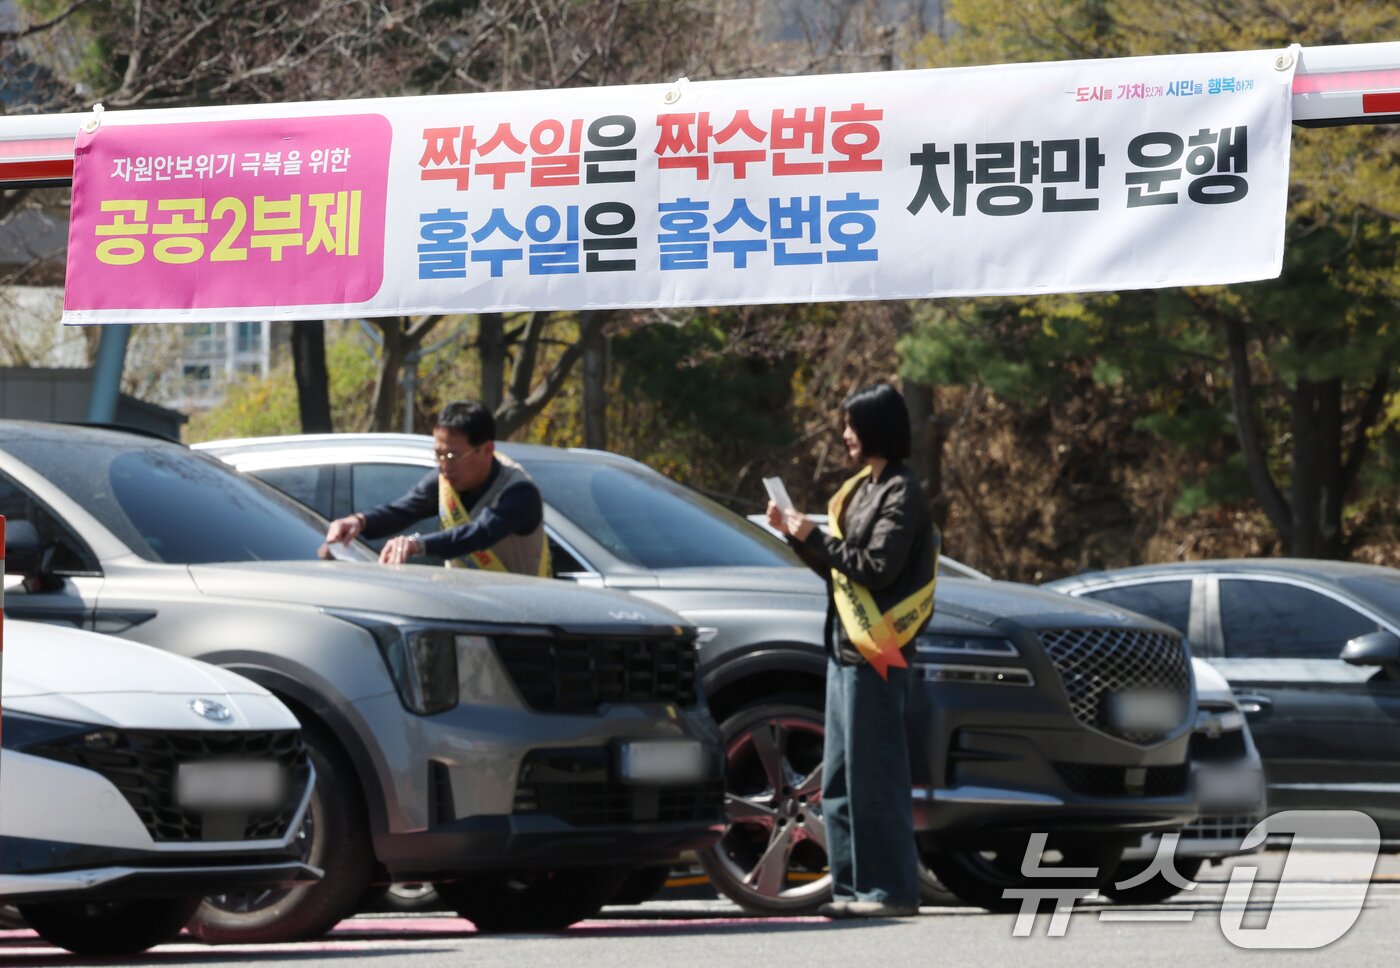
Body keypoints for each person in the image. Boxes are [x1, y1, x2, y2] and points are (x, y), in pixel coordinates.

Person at [767, 382, 939, 920]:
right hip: (843, 648)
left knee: (876, 775)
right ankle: (852, 889)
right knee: (839, 778)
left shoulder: (902, 493)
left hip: (879, 650)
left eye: (852, 425)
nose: (845, 435)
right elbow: (840, 569)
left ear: (878, 428)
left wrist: (814, 538)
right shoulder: (859, 491)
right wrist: (797, 536)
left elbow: (875, 569)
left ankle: (889, 891)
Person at [324, 400, 550, 576]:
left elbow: (478, 534)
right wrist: (359, 521)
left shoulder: (519, 492)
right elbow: (404, 509)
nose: (444, 465)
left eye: (452, 455)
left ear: (487, 450)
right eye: (438, 455)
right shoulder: (445, 479)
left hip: (521, 616)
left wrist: (416, 545)